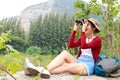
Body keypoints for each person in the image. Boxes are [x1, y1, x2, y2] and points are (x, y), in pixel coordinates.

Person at [24, 18, 102, 78]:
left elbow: (85, 46)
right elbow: (70, 45)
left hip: (88, 65)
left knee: (65, 66)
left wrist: (82, 31)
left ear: (94, 28)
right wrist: (75, 29)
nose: (85, 26)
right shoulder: (83, 39)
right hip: (79, 61)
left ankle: (40, 70)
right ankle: (43, 70)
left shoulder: (97, 40)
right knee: (65, 53)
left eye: (87, 25)